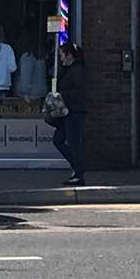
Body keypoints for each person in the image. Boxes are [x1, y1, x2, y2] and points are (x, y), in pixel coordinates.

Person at [53, 42, 88, 186]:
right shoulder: (70, 70)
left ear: (69, 55)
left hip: (74, 111)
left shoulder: (77, 71)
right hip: (68, 111)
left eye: (62, 54)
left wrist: (61, 95)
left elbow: (80, 91)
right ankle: (77, 168)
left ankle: (78, 172)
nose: (60, 58)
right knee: (59, 140)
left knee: (73, 143)